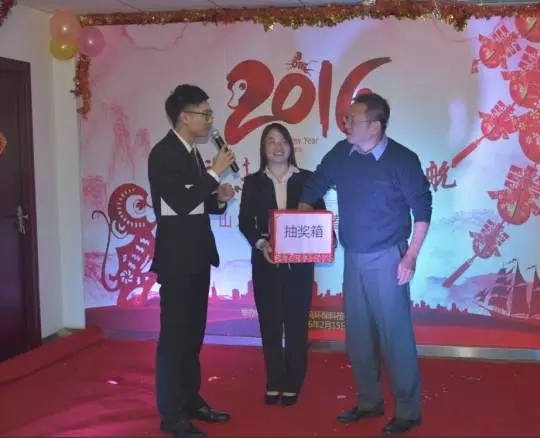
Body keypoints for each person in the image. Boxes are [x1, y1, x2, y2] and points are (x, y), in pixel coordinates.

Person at [298, 93, 432, 435]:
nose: (346, 125)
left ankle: (408, 410)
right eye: (346, 119)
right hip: (353, 257)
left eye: (352, 120)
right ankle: (369, 401)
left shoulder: (402, 159)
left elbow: (422, 209)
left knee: (395, 336)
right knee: (358, 336)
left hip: (389, 257)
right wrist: (303, 221)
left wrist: (411, 256)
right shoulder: (341, 154)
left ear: (374, 127)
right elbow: (315, 185)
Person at [148, 84, 237, 438]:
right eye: (206, 113)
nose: (211, 120)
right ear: (185, 117)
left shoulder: (191, 153)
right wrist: (214, 174)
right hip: (176, 261)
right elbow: (179, 203)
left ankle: (190, 400)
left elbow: (195, 203)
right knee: (174, 338)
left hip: (198, 256)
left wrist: (220, 198)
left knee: (192, 336)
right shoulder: (163, 154)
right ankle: (172, 416)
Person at [238, 123, 328, 407]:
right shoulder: (253, 182)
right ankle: (274, 379)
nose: (277, 147)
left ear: (291, 146)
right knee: (270, 324)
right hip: (266, 261)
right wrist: (260, 243)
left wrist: (327, 237)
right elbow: (244, 222)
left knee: (297, 323)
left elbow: (320, 216)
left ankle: (294, 380)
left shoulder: (308, 179)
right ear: (263, 149)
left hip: (299, 264)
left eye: (282, 141)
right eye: (271, 142)